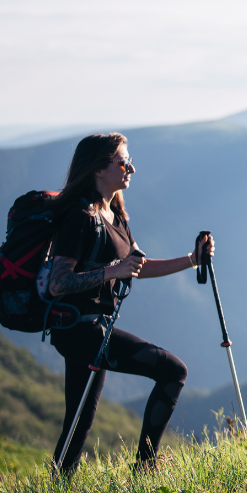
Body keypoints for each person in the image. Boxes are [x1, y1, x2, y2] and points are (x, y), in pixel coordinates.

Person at [46, 132, 212, 475]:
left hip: (92, 328)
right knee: (173, 371)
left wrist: (191, 259)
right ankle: (145, 468)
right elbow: (58, 282)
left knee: (80, 419)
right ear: (97, 169)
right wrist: (112, 271)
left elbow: (137, 267)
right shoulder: (80, 217)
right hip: (79, 328)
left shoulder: (114, 214)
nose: (131, 168)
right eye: (123, 162)